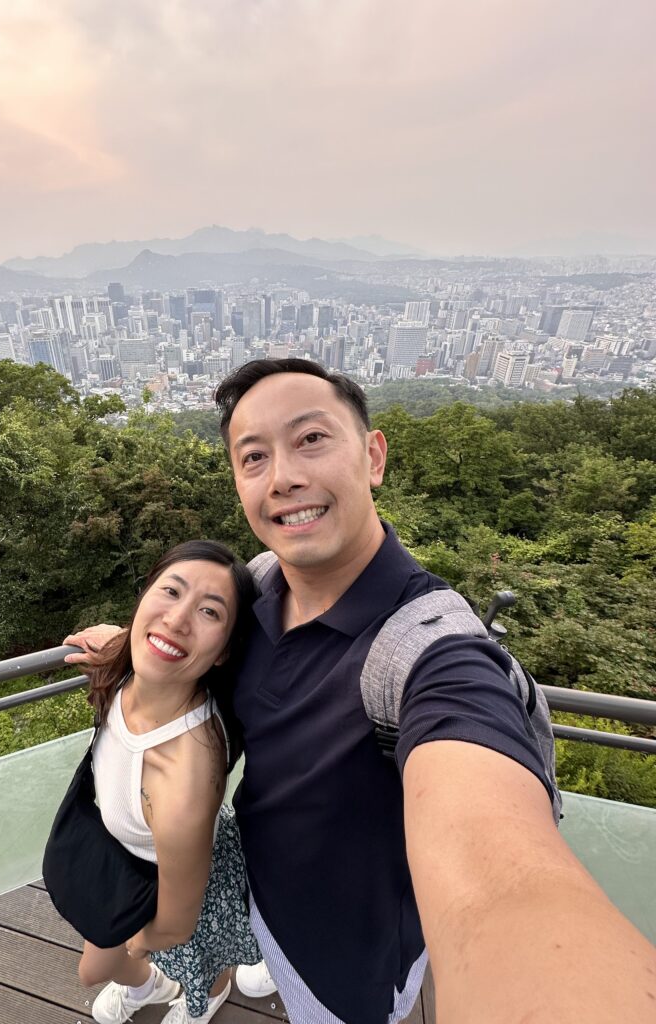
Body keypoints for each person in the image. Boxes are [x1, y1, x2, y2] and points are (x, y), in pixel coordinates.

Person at [70, 359, 656, 1024]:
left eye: (311, 439)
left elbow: (504, 885)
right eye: (254, 456)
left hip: (347, 966)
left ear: (373, 457)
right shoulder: (258, 584)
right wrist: (129, 646)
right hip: (265, 895)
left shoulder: (427, 652)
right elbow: (206, 658)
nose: (283, 476)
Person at [62, 540, 262, 1024]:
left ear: (224, 651)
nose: (175, 620)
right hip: (132, 858)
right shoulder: (132, 670)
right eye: (170, 591)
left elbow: (176, 924)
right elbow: (154, 637)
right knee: (100, 967)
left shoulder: (179, 783)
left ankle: (205, 998)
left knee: (193, 965)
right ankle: (150, 986)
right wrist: (122, 641)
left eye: (209, 612)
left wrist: (139, 942)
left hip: (177, 885)